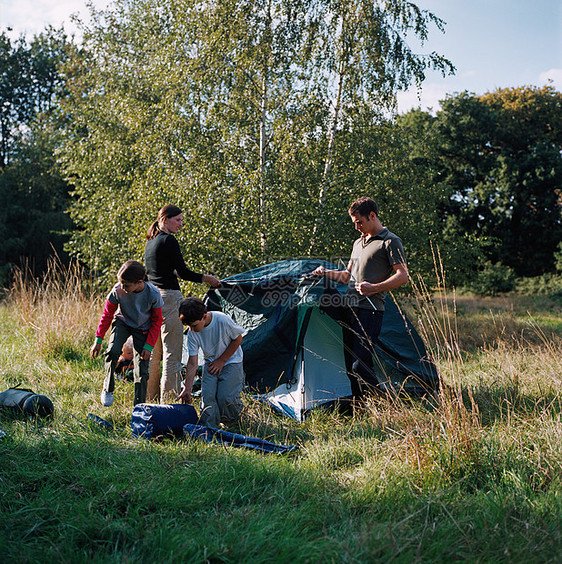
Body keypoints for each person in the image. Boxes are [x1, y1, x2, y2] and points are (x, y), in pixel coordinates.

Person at [312, 196, 408, 401]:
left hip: (370, 311)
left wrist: (374, 288)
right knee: (350, 366)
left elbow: (403, 276)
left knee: (360, 365)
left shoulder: (390, 241)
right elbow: (347, 276)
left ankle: (384, 406)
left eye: (359, 222)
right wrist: (325, 272)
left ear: (372, 216)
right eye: (354, 223)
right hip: (350, 309)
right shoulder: (358, 242)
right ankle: (361, 408)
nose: (356, 227)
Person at [144, 205, 221, 404]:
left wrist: (176, 273)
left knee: (154, 353)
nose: (180, 224)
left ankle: (147, 400)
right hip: (169, 299)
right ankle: (169, 403)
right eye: (177, 220)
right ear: (164, 219)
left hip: (152, 299)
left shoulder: (150, 243)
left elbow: (166, 271)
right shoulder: (169, 241)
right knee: (172, 353)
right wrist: (207, 278)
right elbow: (183, 272)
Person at [90, 260, 163, 407]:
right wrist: (98, 340)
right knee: (112, 351)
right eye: (121, 283)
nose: (123, 287)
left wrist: (149, 346)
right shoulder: (117, 290)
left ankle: (139, 407)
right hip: (122, 321)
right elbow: (107, 315)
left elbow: (157, 321)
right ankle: (108, 388)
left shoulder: (153, 294)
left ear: (139, 282)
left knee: (142, 368)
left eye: (126, 284)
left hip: (143, 327)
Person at [177, 297, 245, 429]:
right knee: (207, 397)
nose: (191, 329)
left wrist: (221, 361)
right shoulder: (192, 333)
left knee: (225, 397)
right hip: (210, 362)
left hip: (231, 361)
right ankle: (209, 427)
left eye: (194, 325)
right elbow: (192, 362)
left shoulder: (222, 320)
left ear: (204, 316)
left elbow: (238, 339)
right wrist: (187, 387)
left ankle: (232, 424)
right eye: (188, 326)